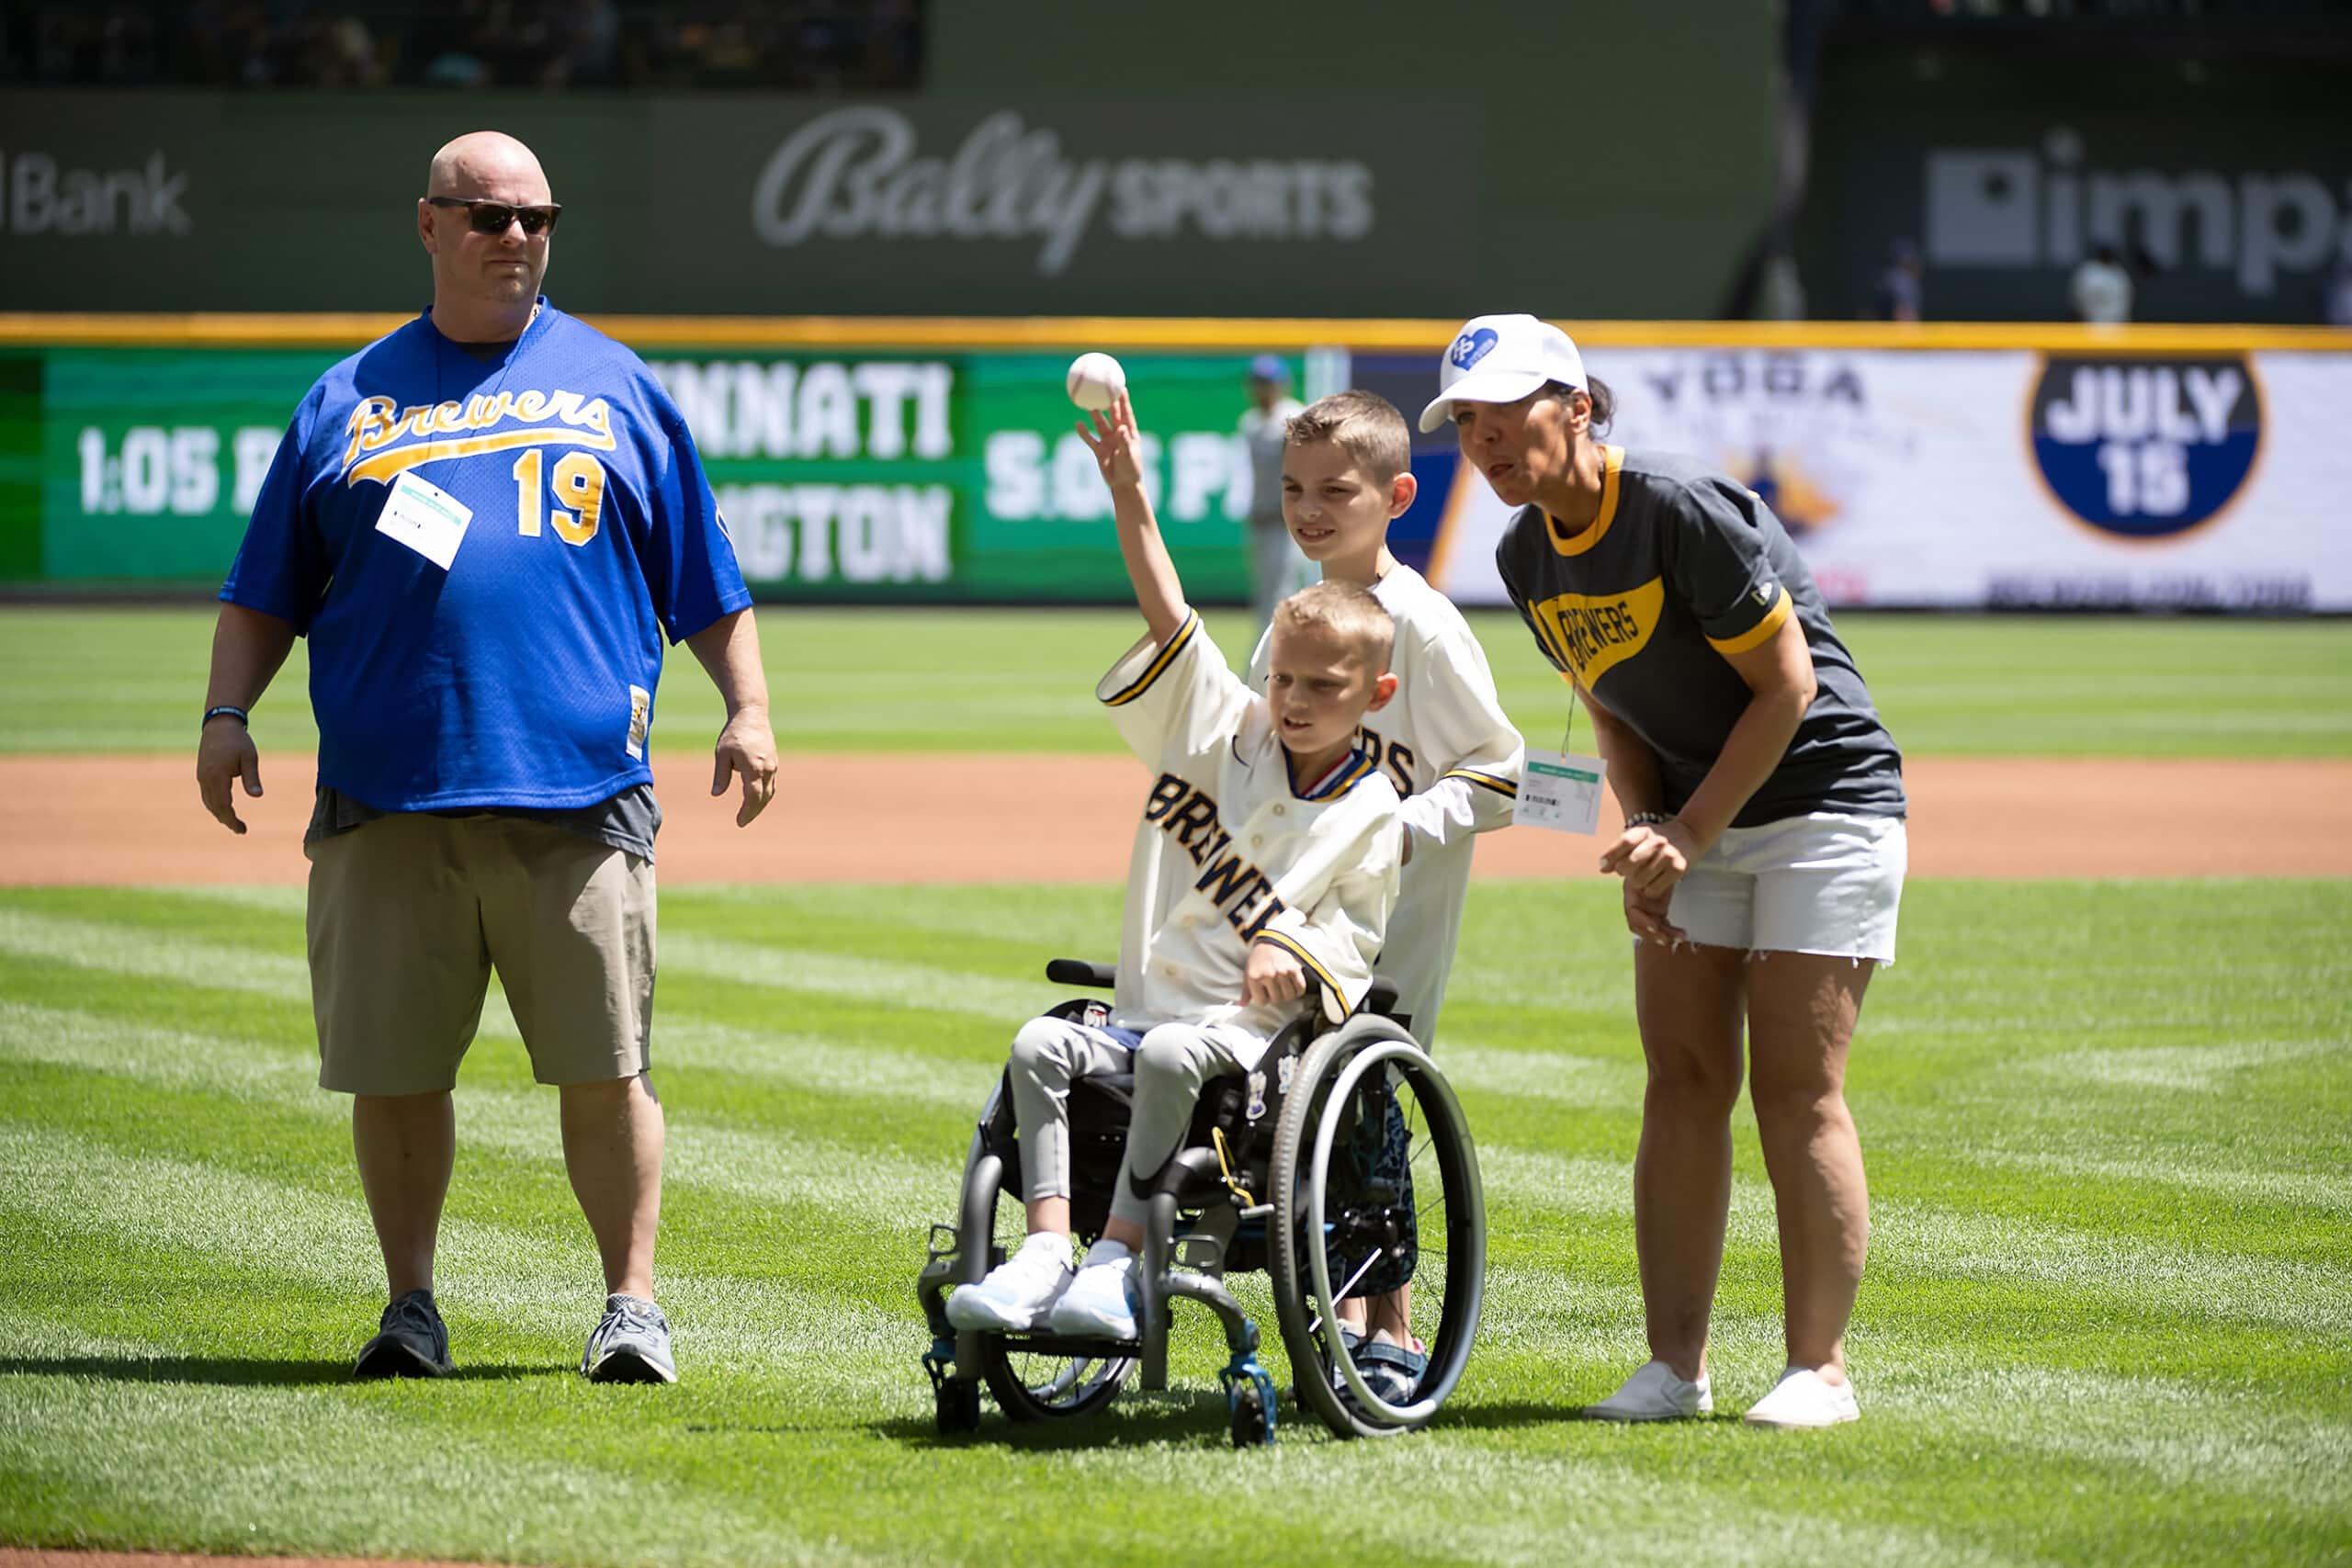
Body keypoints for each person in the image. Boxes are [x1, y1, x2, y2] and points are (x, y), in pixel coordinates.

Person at [195, 130, 777, 1386]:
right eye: (487, 217)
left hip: (578, 793)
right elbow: (264, 587)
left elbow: (708, 582)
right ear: (428, 224)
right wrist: (225, 712)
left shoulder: (618, 383)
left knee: (605, 1064)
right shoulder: (347, 396)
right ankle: (411, 1305)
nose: (515, 238)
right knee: (395, 1074)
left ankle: (632, 1306)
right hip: (387, 792)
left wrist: (748, 709)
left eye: (537, 219)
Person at [1425, 314, 1906, 1429]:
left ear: (1576, 409)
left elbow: (1788, 689)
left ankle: (1817, 1371)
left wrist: (1684, 831)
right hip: (1692, 814)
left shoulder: (1679, 507)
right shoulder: (1522, 554)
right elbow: (1613, 715)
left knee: (1798, 1088)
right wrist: (1650, 835)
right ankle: (1674, 1369)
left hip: (1820, 804)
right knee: (1681, 1081)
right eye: (1467, 426)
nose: (1486, 443)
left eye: (1506, 416)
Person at [945, 388, 1404, 1342]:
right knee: (1040, 1043)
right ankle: (1044, 1252)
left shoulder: (1371, 809)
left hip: (1251, 1044)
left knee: (1165, 1051)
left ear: (1375, 692)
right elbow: (1170, 616)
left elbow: (1354, 939)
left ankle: (1114, 1260)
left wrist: (1293, 952)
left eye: (1324, 686)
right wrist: (1129, 493)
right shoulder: (1221, 732)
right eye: (1282, 677)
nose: (1295, 699)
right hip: (1148, 1010)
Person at [1242, 389, 1524, 1397]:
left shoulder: (1423, 626)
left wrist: (1395, 827)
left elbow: (1501, 771)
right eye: (1292, 491)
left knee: (1366, 1107)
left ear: (1396, 494)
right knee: (1289, 1112)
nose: (1310, 510)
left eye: (1336, 490)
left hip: (1390, 927)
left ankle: (1392, 1332)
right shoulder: (1293, 619)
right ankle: (1338, 1310)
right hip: (1289, 919)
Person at [1239, 355, 1308, 645]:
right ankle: (1271, 664)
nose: (1263, 389)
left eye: (1268, 383)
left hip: (1289, 524)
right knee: (1268, 597)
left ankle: (1274, 666)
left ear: (1283, 384)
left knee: (1284, 597)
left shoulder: (1293, 418)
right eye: (1258, 383)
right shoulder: (1251, 423)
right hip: (1262, 519)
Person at [2070, 243, 2133, 324]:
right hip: (2091, 321)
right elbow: (2077, 297)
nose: (2106, 255)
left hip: (2116, 322)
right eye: (2104, 253)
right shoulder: (2087, 271)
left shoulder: (2119, 273)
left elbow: (2127, 297)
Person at [1871, 239, 1922, 323]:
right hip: (1895, 330)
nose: (1917, 264)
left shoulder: (1892, 277)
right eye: (1913, 260)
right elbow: (1904, 312)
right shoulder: (1902, 280)